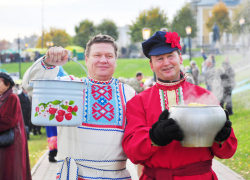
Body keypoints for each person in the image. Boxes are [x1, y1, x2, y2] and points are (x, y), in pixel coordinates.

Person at [122, 31, 237, 180]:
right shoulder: (138, 102)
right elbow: (132, 152)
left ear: (180, 58)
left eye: (170, 56)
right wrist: (154, 136)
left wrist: (221, 138)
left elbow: (227, 152)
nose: (166, 62)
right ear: (151, 65)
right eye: (159, 59)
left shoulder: (205, 97)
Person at [22, 34, 136, 179]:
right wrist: (48, 63)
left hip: (116, 176)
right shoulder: (70, 86)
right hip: (74, 175)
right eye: (97, 55)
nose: (103, 60)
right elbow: (31, 86)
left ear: (116, 60)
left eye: (109, 55)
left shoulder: (128, 93)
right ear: (87, 59)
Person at [0, 72, 32, 180]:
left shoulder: (12, 97)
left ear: (7, 84)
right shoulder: (4, 97)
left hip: (11, 141)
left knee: (10, 171)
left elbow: (8, 121)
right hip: (7, 139)